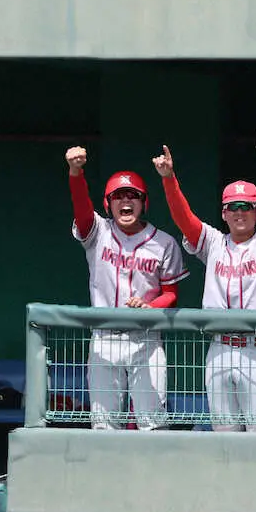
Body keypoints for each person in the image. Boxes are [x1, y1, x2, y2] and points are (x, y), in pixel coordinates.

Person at [152, 134, 256, 432]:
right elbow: (184, 219)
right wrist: (168, 179)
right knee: (223, 437)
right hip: (220, 348)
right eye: (233, 207)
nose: (240, 212)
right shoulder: (214, 242)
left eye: (247, 206)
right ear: (224, 213)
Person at [66, 147, 188, 430]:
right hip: (104, 338)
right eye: (118, 196)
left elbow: (171, 293)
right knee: (104, 426)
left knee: (153, 425)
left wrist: (150, 307)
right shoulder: (98, 232)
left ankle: (152, 476)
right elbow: (82, 209)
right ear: (107, 204)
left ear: (144, 202)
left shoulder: (164, 243)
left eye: (133, 195)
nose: (125, 201)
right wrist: (76, 173)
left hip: (145, 340)